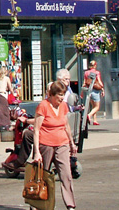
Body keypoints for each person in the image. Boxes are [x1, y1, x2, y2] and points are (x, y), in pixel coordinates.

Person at [33, 80, 77, 210]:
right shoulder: (43, 106)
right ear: (52, 95)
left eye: (63, 94)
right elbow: (36, 130)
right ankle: (39, 203)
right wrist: (37, 152)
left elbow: (66, 125)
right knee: (44, 176)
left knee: (66, 175)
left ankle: (70, 205)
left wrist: (71, 143)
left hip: (62, 143)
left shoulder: (63, 106)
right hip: (46, 144)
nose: (62, 98)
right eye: (59, 95)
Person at [82, 60, 104, 126]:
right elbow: (99, 82)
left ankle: (95, 120)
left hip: (89, 90)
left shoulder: (86, 73)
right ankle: (89, 115)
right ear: (95, 65)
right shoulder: (97, 72)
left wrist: (82, 92)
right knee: (97, 107)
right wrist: (102, 88)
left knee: (93, 106)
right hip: (95, 90)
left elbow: (84, 83)